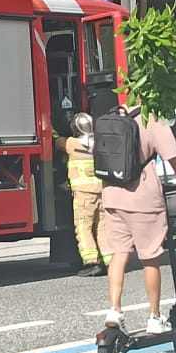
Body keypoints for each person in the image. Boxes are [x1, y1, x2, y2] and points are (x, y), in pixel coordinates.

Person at [101, 109, 176, 335]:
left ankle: (114, 310)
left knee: (119, 253)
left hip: (112, 194)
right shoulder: (152, 119)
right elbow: (173, 158)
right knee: (150, 257)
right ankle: (154, 316)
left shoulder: (115, 116)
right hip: (142, 197)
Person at [55, 112, 108, 277]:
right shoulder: (100, 144)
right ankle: (110, 260)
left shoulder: (72, 144)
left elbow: (57, 142)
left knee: (83, 227)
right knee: (103, 228)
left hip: (84, 196)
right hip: (102, 193)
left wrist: (50, 129)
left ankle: (91, 262)